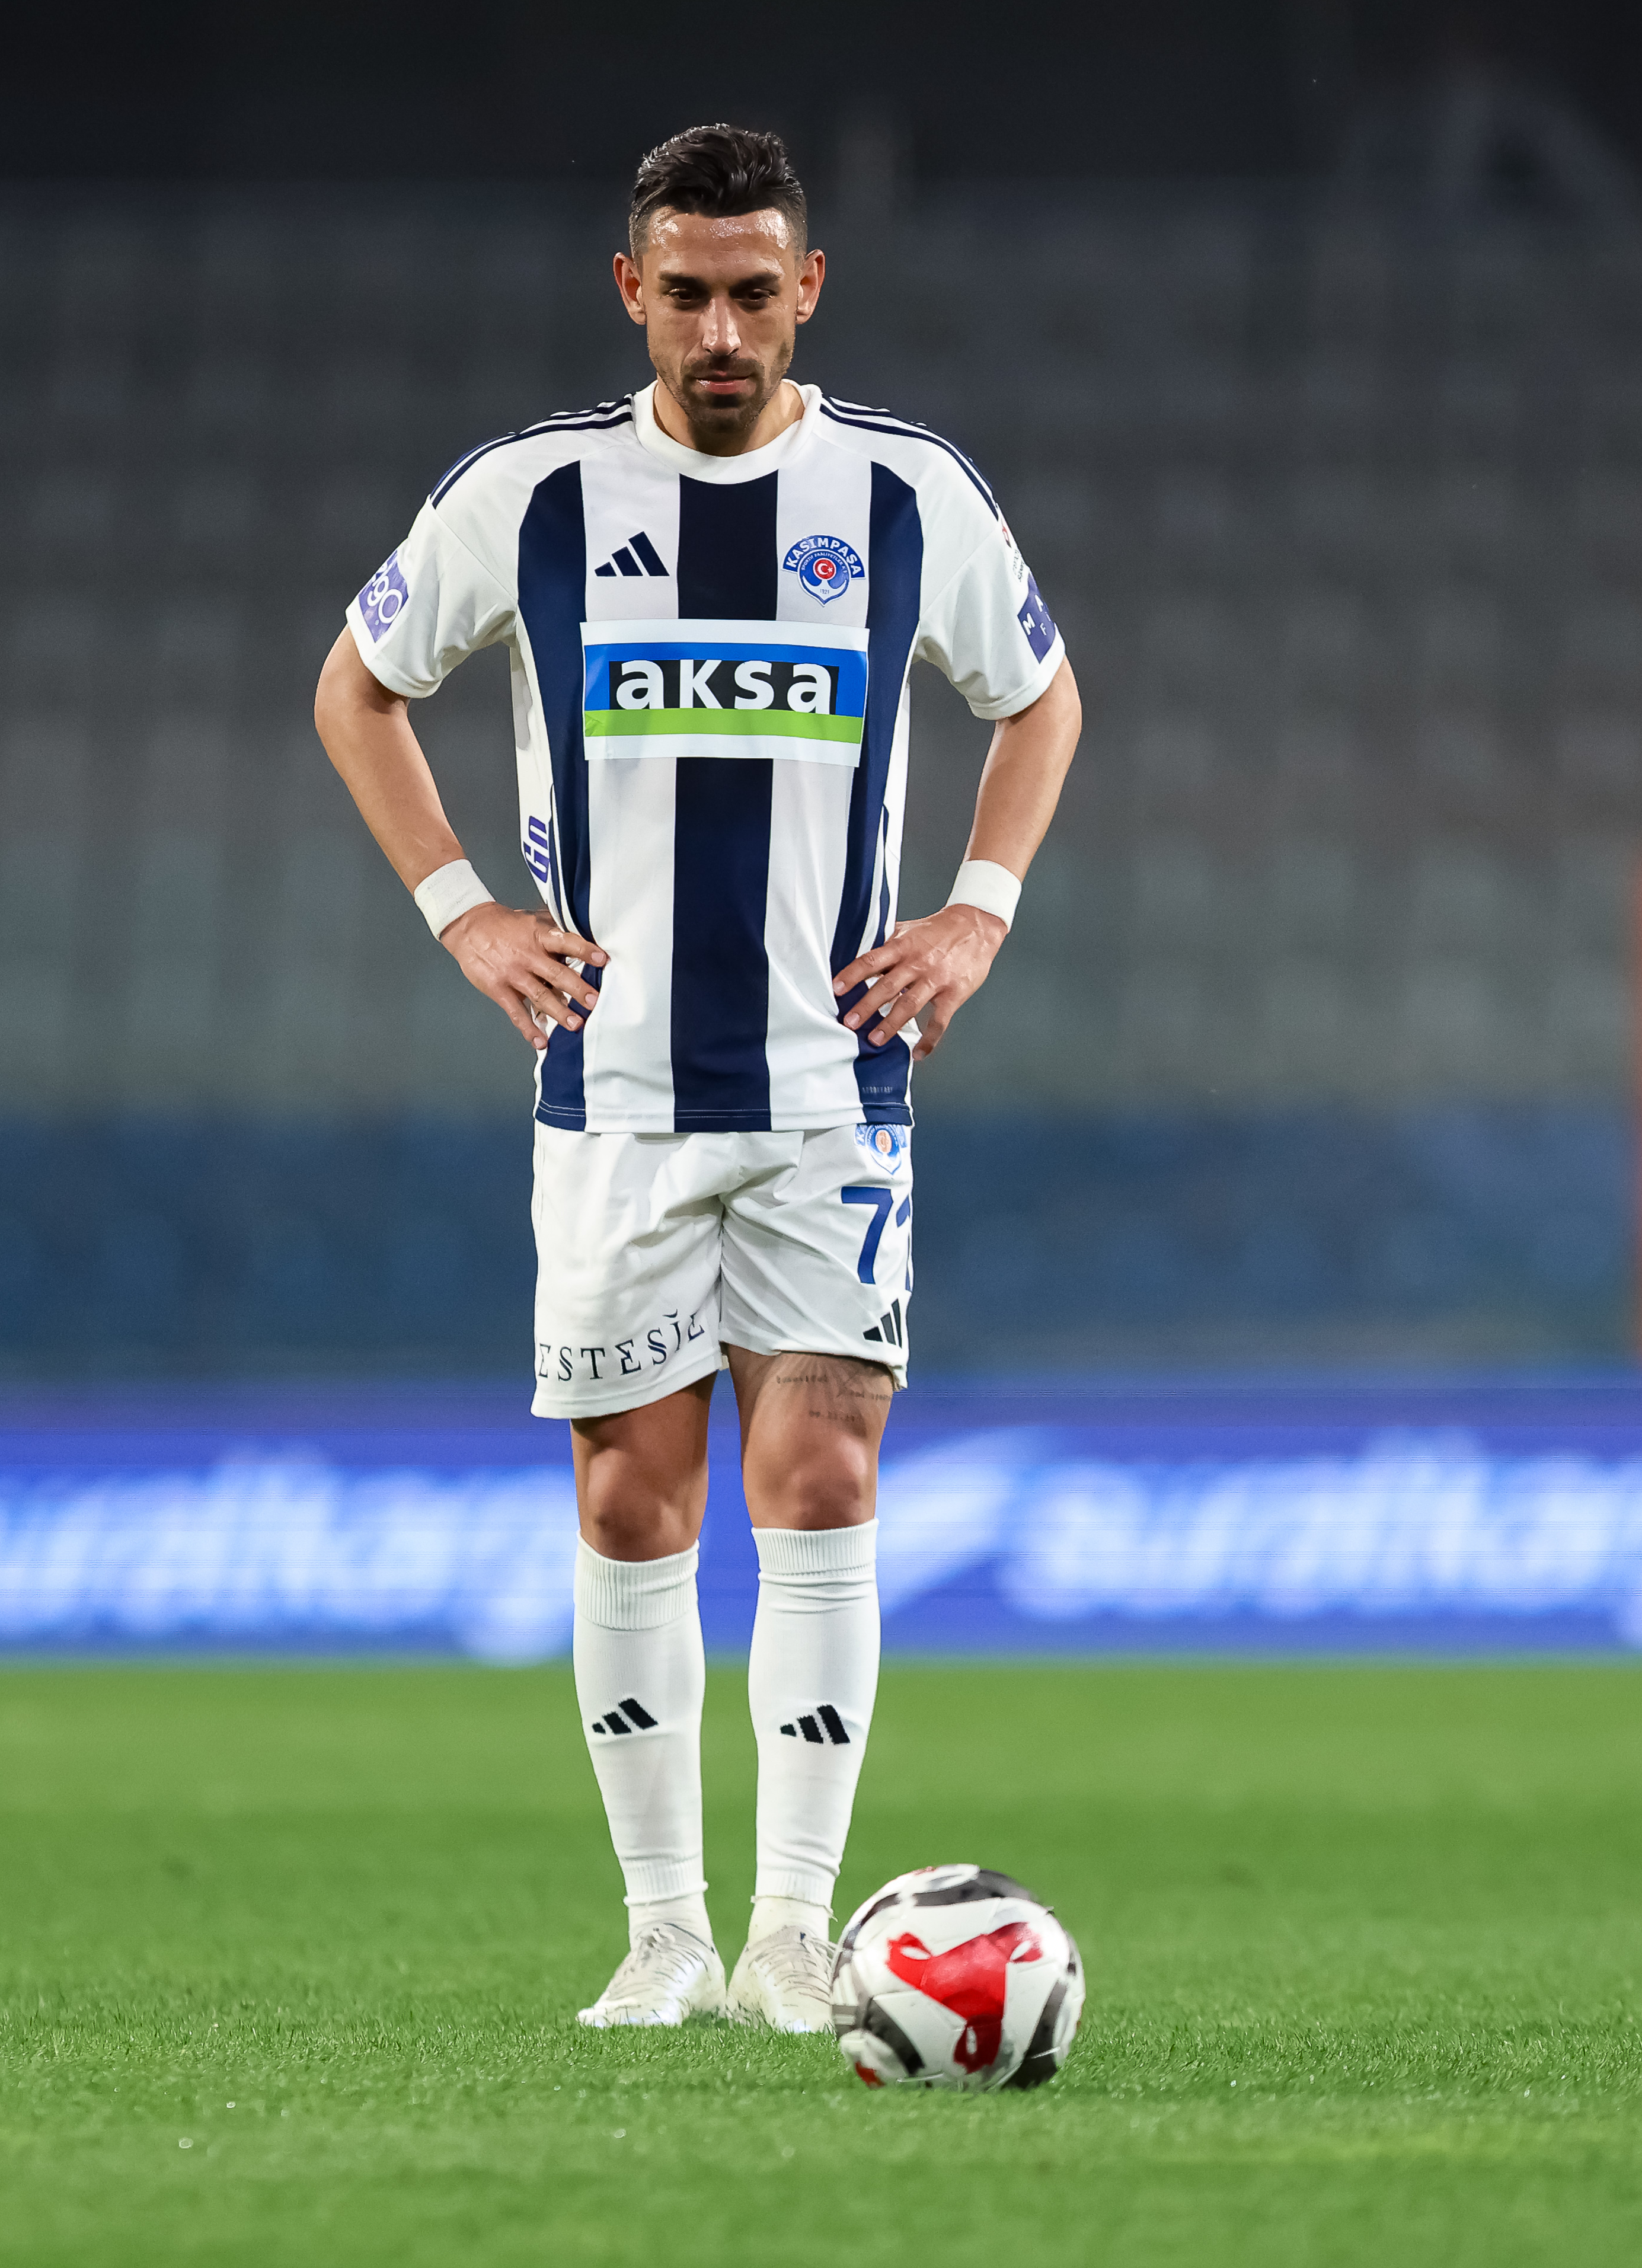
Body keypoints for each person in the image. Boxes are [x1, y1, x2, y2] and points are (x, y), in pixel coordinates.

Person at [315, 123, 1079, 2034]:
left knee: (820, 1479)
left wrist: (976, 911)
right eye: (685, 295)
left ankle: (792, 1935)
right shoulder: (528, 495)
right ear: (629, 292)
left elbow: (1039, 694)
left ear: (806, 288)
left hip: (834, 1091)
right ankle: (663, 1930)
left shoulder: (904, 493)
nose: (720, 332)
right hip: (616, 1096)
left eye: (752, 293)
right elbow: (356, 687)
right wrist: (462, 915)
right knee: (631, 1508)